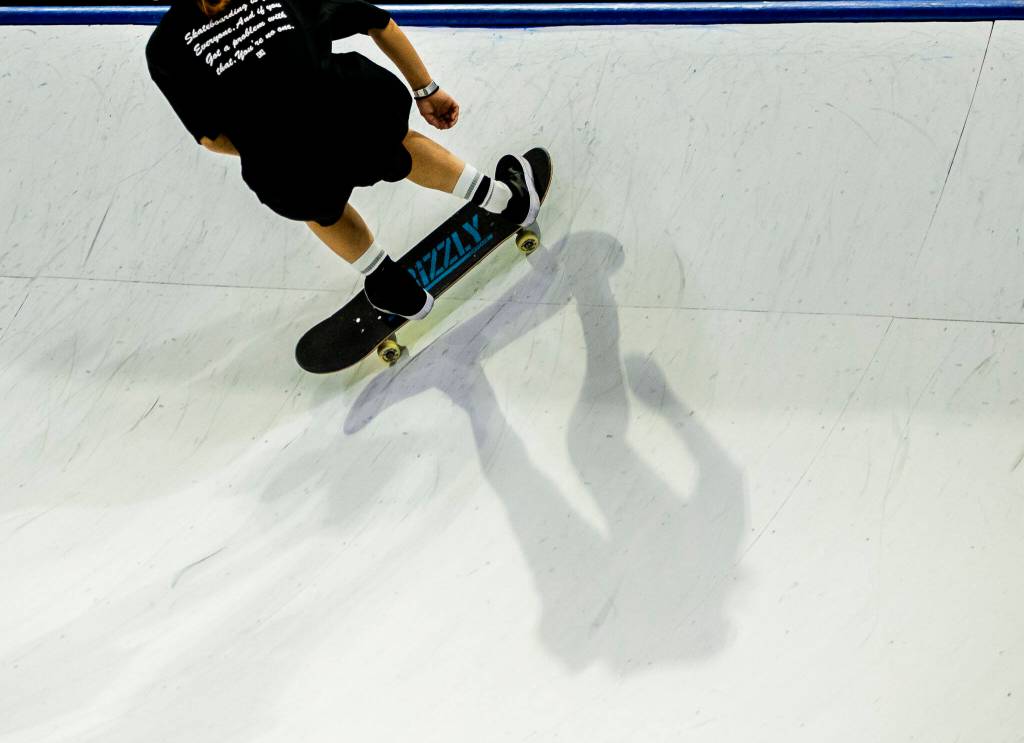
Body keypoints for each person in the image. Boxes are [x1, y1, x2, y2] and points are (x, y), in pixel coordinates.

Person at [146, 0, 541, 319]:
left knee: (320, 209)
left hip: (280, 167)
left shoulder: (164, 46)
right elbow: (376, 21)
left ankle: (388, 284)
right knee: (399, 148)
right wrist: (427, 90)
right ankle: (506, 201)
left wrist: (264, 143)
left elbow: (211, 139)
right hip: (352, 111)